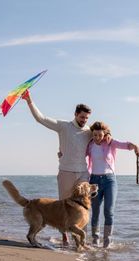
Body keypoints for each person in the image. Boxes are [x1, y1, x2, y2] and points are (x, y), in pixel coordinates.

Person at [21, 90, 110, 245]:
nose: (84, 120)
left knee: (83, 208)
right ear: (75, 114)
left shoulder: (89, 131)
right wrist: (29, 100)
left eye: (87, 118)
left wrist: (109, 135)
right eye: (82, 117)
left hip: (82, 172)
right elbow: (40, 119)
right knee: (64, 207)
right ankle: (65, 237)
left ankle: (82, 243)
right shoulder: (63, 126)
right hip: (66, 172)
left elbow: (101, 135)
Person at [86, 121, 139, 248]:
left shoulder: (110, 143)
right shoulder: (89, 145)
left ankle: (107, 243)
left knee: (108, 211)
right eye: (95, 135)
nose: (97, 138)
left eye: (100, 135)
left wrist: (135, 147)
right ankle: (95, 241)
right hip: (94, 181)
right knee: (95, 211)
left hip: (110, 180)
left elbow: (126, 145)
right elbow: (79, 156)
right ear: (92, 134)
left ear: (105, 134)